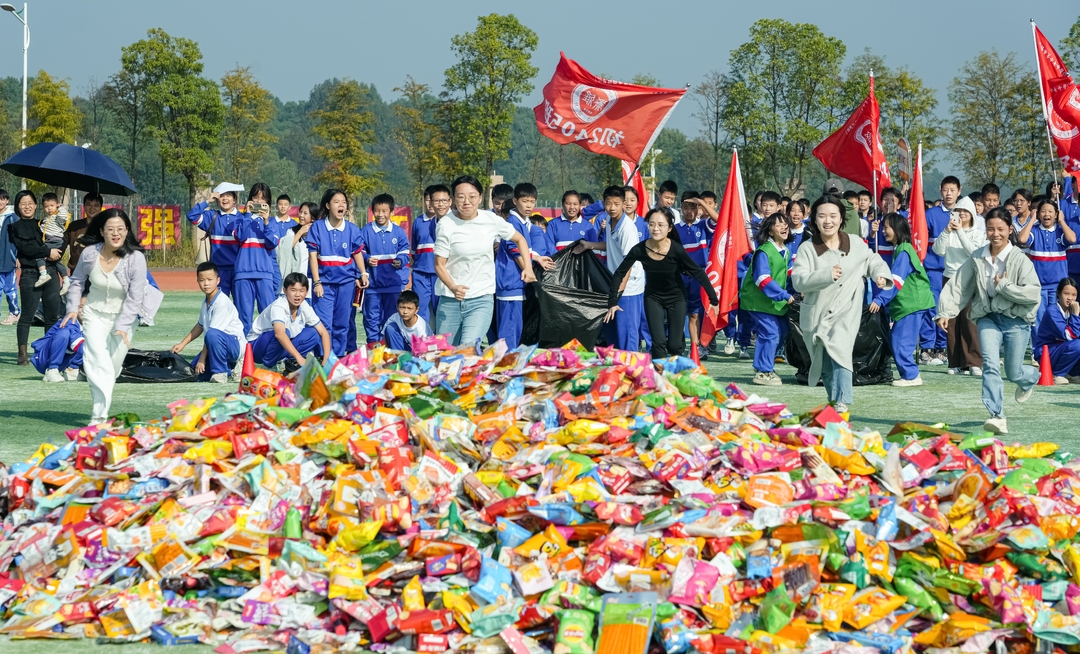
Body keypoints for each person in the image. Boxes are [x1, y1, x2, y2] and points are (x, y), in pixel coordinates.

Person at [937, 208, 1041, 435]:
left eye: (1001, 229)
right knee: (990, 366)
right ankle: (997, 415)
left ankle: (1030, 378)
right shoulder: (977, 257)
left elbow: (1033, 294)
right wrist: (945, 311)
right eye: (991, 229)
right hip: (987, 318)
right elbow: (960, 285)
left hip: (1016, 321)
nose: (996, 234)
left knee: (1014, 373)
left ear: (1010, 230)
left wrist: (1004, 286)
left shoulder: (1020, 260)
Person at [791, 195, 892, 414]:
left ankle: (843, 402)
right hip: (817, 315)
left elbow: (871, 260)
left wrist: (880, 275)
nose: (828, 221)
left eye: (833, 216)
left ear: (841, 219)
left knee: (841, 350)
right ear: (815, 219)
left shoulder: (855, 243)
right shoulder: (808, 248)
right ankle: (834, 401)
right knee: (825, 364)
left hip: (847, 311)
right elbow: (798, 280)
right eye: (822, 216)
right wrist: (825, 275)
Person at [63, 209, 157, 425]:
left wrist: (123, 326)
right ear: (102, 231)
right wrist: (72, 308)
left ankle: (101, 405)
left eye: (120, 229)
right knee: (98, 363)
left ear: (127, 231)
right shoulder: (89, 254)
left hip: (123, 319)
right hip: (94, 315)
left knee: (111, 369)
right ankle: (98, 417)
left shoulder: (136, 258)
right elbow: (76, 281)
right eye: (111, 229)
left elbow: (135, 296)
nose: (116, 234)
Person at [434, 175, 535, 347]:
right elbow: (439, 264)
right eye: (461, 197)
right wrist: (453, 287)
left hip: (481, 298)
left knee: (468, 349)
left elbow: (520, 240)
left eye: (472, 196)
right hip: (450, 299)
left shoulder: (491, 220)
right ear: (453, 200)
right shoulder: (445, 224)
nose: (467, 201)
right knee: (444, 353)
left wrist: (528, 268)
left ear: (480, 198)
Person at [606, 207, 717, 358]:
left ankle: (678, 347)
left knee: (674, 345)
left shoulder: (676, 249)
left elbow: (696, 271)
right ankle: (658, 379)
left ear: (669, 228)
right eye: (651, 224)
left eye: (660, 225)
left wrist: (713, 299)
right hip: (653, 298)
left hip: (676, 298)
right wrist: (613, 301)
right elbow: (620, 273)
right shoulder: (639, 249)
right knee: (658, 343)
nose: (655, 228)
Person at [871, 213, 936, 387]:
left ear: (898, 229)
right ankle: (909, 374)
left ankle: (911, 376)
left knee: (900, 341)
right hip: (913, 303)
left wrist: (880, 299)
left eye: (887, 227)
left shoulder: (904, 250)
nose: (884, 231)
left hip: (912, 304)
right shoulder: (902, 249)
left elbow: (898, 280)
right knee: (897, 339)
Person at [307, 189, 369, 356]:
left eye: (343, 202)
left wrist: (363, 273)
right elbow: (313, 257)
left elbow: (357, 253)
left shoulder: (353, 229)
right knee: (324, 323)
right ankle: (324, 357)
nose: (341, 205)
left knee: (342, 324)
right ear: (327, 205)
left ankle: (339, 358)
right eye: (336, 201)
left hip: (346, 283)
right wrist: (317, 282)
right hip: (324, 284)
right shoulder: (317, 227)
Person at [584, 186, 646, 352]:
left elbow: (628, 265)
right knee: (612, 335)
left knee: (627, 335)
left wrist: (616, 297)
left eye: (616, 204)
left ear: (623, 204)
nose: (612, 208)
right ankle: (616, 371)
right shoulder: (610, 222)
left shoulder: (627, 229)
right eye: (608, 203)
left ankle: (631, 372)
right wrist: (588, 245)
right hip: (613, 284)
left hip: (628, 288)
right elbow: (611, 246)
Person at [932, 196, 988, 375]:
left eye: (966, 212)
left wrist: (960, 233)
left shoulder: (978, 234)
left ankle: (973, 362)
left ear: (972, 215)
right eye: (959, 212)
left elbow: (973, 252)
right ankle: (955, 362)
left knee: (970, 321)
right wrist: (947, 231)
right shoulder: (948, 232)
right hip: (950, 278)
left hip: (970, 279)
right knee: (951, 322)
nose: (962, 215)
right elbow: (937, 250)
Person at [495, 183, 555, 349]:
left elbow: (524, 252)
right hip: (510, 283)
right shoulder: (513, 223)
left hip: (515, 283)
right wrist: (529, 272)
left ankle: (509, 366)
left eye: (532, 201)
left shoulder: (523, 223)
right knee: (509, 330)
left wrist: (537, 258)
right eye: (525, 201)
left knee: (515, 328)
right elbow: (516, 253)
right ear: (515, 201)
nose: (529, 205)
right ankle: (506, 368)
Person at [10, 191, 63, 365]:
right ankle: (22, 354)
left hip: (51, 273)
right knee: (27, 315)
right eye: (23, 203)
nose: (27, 206)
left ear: (36, 205)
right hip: (30, 274)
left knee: (52, 316)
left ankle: (48, 352)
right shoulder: (15, 227)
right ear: (18, 206)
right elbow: (27, 248)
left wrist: (60, 212)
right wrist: (47, 252)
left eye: (30, 202)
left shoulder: (44, 223)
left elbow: (60, 235)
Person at [740, 213, 794, 386]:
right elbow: (762, 279)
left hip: (774, 302)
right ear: (770, 231)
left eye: (785, 223)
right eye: (779, 224)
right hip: (757, 301)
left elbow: (790, 275)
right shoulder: (764, 251)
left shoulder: (786, 250)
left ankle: (763, 365)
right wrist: (785, 295)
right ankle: (763, 371)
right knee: (770, 332)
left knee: (783, 330)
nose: (784, 226)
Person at [171, 262, 246, 383]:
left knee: (211, 337)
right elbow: (200, 326)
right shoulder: (206, 301)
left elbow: (212, 334)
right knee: (195, 372)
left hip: (234, 345)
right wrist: (182, 344)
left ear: (218, 280)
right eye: (202, 280)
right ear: (197, 281)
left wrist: (202, 358)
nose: (206, 284)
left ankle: (221, 372)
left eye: (210, 279)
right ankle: (229, 367)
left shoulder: (222, 303)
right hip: (217, 344)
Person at [1019, 198, 1077, 350]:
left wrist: (1062, 221)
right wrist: (1031, 220)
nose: (1046, 214)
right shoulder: (1034, 230)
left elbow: (1072, 238)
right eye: (1043, 211)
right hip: (1037, 286)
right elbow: (1022, 239)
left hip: (1058, 287)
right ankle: (1038, 351)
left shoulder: (1060, 230)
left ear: (1056, 214)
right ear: (1038, 213)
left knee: (1058, 318)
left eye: (1050, 211)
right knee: (1038, 319)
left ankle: (1056, 348)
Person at [248, 273, 331, 371]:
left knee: (313, 334)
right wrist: (299, 357)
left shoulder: (305, 307)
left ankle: (289, 363)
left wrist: (326, 361)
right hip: (256, 348)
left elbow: (323, 332)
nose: (297, 295)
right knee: (283, 332)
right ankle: (268, 367)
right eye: (293, 290)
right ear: (285, 291)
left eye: (301, 291)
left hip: (278, 347)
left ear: (306, 292)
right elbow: (279, 334)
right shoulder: (279, 306)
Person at [920, 176, 963, 366]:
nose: (949, 194)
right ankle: (928, 347)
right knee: (933, 307)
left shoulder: (963, 213)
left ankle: (943, 347)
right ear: (940, 190)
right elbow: (921, 240)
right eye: (946, 190)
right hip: (934, 269)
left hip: (956, 271)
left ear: (959, 191)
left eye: (952, 190)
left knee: (951, 310)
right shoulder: (930, 214)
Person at [359, 193, 410, 344]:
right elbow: (358, 251)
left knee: (392, 320)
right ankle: (373, 350)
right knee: (371, 319)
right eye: (377, 211)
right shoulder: (366, 231)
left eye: (384, 211)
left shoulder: (398, 231)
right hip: (373, 286)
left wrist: (400, 260)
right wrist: (367, 258)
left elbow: (405, 251)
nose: (380, 214)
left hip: (393, 286)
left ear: (391, 212)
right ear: (372, 211)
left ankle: (392, 350)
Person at [231, 183, 280, 334]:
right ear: (250, 199)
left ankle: (268, 352)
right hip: (243, 273)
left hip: (264, 273)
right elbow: (240, 236)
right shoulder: (240, 218)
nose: (259, 201)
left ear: (268, 202)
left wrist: (265, 222)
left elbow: (272, 243)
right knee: (243, 317)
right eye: (256, 197)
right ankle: (245, 352)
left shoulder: (272, 222)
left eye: (263, 198)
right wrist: (247, 215)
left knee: (269, 315)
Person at [674, 192, 713, 359]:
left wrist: (702, 203)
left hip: (698, 276)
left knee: (695, 314)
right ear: (681, 207)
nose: (689, 211)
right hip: (680, 276)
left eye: (693, 207)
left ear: (698, 208)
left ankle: (695, 348)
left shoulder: (703, 226)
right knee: (678, 312)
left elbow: (719, 219)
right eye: (686, 206)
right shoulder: (674, 229)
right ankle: (677, 345)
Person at [188, 183, 243, 297]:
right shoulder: (211, 216)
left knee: (240, 308)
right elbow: (192, 216)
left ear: (234, 200)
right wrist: (207, 201)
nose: (225, 198)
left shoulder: (242, 218)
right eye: (222, 196)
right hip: (219, 270)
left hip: (239, 270)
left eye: (228, 195)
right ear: (217, 199)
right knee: (219, 304)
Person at [412, 184, 450, 322]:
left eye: (432, 200)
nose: (430, 204)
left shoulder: (448, 222)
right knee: (420, 311)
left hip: (440, 274)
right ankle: (422, 342)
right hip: (421, 273)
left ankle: (442, 342)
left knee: (441, 311)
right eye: (427, 200)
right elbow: (414, 251)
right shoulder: (418, 221)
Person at [1035, 277, 1080, 384]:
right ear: (1058, 293)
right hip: (1046, 353)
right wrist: (1075, 315)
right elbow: (1069, 336)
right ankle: (1056, 374)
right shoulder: (1053, 311)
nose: (1070, 298)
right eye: (1066, 294)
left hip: (1063, 350)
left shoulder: (1073, 310)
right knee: (1078, 345)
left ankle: (1072, 374)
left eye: (1074, 295)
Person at [278, 201, 316, 295]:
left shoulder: (317, 234)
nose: (301, 215)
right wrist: (300, 232)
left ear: (313, 218)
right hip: (294, 281)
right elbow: (284, 249)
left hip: (311, 282)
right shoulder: (291, 231)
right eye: (300, 212)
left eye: (305, 213)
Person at [63, 192, 104, 277]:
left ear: (100, 208)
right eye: (88, 204)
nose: (92, 208)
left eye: (96, 205)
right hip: (76, 273)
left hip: (97, 274)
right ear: (84, 207)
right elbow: (62, 242)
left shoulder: (104, 228)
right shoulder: (74, 226)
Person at [35, 192, 69, 292]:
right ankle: (66, 280)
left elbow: (64, 217)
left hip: (54, 241)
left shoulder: (57, 217)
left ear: (56, 205)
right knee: (57, 262)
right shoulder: (45, 219)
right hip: (49, 240)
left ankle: (43, 274)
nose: (49, 208)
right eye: (46, 206)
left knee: (39, 255)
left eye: (52, 206)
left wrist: (61, 207)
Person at [267, 194, 297, 292]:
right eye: (280, 204)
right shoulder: (269, 222)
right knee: (274, 288)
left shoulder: (294, 224)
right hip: (273, 259)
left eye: (285, 204)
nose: (283, 207)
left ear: (289, 207)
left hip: (289, 261)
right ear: (276, 206)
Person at [0, 189, 17, 325]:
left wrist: (17, 256)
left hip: (8, 259)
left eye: (2, 199)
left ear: (7, 201)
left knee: (10, 289)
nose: (0, 201)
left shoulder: (12, 217)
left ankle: (14, 313)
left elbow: (17, 239)